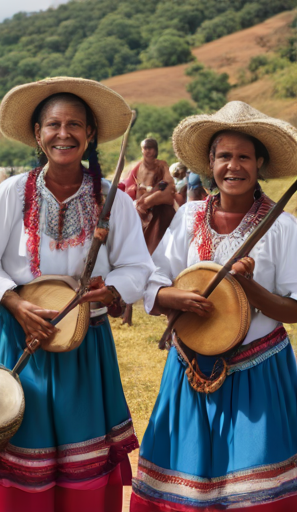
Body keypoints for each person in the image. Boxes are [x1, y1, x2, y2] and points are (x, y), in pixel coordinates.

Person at [0, 77, 154, 512]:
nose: (63, 134)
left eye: (75, 125)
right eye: (53, 124)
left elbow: (139, 267)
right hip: (19, 340)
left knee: (79, 470)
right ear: (37, 133)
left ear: (90, 135)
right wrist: (14, 303)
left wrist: (112, 289)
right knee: (16, 463)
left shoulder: (112, 200)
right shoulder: (14, 193)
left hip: (85, 351)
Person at [131, 101, 297, 511]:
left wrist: (248, 287)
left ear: (260, 163)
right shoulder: (188, 217)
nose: (233, 166)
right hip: (189, 370)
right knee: (186, 485)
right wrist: (173, 297)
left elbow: (294, 308)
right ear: (210, 161)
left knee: (255, 489)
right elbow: (152, 280)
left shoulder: (282, 226)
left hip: (259, 373)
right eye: (224, 156)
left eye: (244, 156)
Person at [119, 137, 176, 254]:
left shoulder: (161, 165)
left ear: (155, 150)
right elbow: (126, 185)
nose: (148, 151)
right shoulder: (136, 167)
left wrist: (151, 197)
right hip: (138, 208)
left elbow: (168, 184)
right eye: (146, 148)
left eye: (151, 148)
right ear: (142, 150)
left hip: (159, 208)